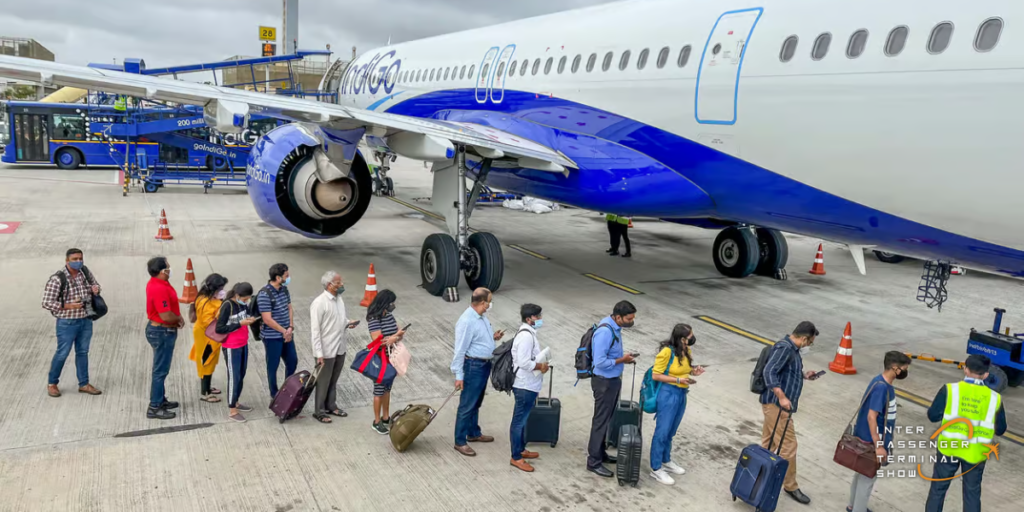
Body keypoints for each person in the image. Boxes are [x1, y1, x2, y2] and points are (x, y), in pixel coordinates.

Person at [924, 354, 1007, 512]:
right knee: (972, 493)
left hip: (949, 448)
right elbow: (1001, 429)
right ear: (986, 374)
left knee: (938, 490)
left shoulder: (950, 390)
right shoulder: (994, 398)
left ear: (965, 369)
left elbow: (932, 416)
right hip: (976, 452)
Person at [759, 321, 822, 505]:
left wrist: (803, 375)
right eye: (810, 342)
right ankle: (790, 485)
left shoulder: (791, 350)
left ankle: (760, 474)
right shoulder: (785, 348)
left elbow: (784, 371)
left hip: (777, 407)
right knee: (789, 446)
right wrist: (781, 396)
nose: (809, 345)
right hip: (777, 407)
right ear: (804, 338)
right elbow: (769, 371)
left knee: (768, 443)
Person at [847, 351, 910, 512]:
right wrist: (879, 446)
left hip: (864, 438)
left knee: (861, 473)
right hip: (871, 442)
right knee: (868, 478)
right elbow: (871, 417)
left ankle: (852, 505)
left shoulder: (877, 381)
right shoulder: (882, 388)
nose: (905, 372)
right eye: (904, 368)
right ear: (895, 368)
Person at [41, 248, 102, 397]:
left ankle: (84, 384)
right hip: (67, 322)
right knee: (62, 353)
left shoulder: (85, 273)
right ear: (67, 261)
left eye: (80, 258)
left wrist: (96, 290)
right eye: (74, 259)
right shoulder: (58, 279)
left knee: (83, 352)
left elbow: (96, 285)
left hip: (85, 319)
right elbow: (46, 302)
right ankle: (52, 383)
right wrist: (68, 306)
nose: (78, 261)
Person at [586, 300, 638, 477]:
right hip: (604, 382)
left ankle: (601, 453)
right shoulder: (605, 332)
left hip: (612, 380)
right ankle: (593, 462)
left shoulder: (614, 327)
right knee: (600, 421)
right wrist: (621, 360)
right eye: (629, 318)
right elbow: (599, 361)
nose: (631, 321)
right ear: (618, 317)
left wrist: (623, 358)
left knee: (606, 419)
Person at [451, 287, 504, 456]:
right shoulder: (467, 321)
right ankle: (460, 441)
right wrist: (459, 375)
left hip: (483, 366)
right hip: (473, 367)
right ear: (482, 302)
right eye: (489, 301)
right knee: (467, 404)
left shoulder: (481, 317)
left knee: (476, 402)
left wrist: (492, 338)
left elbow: (477, 339)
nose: (490, 305)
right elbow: (460, 350)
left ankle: (473, 433)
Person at [649, 323, 704, 485]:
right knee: (662, 431)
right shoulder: (666, 352)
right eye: (689, 337)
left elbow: (685, 369)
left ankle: (666, 460)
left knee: (671, 430)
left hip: (681, 393)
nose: (692, 339)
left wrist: (694, 371)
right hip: (668, 393)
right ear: (681, 338)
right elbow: (656, 375)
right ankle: (656, 467)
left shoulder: (686, 351)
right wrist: (678, 379)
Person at [310, 271, 359, 424]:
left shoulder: (339, 300)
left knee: (333, 380)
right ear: (330, 285)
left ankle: (331, 405)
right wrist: (319, 354)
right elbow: (315, 331)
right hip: (326, 350)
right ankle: (319, 411)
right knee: (323, 382)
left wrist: (348, 322)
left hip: (340, 347)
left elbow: (339, 319)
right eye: (338, 282)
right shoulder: (319, 303)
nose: (342, 284)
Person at [509, 303, 550, 472]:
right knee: (519, 421)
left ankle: (521, 449)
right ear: (529, 319)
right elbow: (524, 362)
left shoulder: (529, 333)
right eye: (537, 317)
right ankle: (515, 457)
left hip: (530, 384)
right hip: (524, 385)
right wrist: (540, 366)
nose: (540, 319)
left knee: (524, 419)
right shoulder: (526, 336)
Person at [144, 257, 183, 420]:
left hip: (162, 330)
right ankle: (154, 406)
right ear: (161, 271)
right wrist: (178, 319)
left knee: (162, 369)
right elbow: (166, 315)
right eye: (167, 267)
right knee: (160, 371)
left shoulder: (160, 283)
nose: (170, 269)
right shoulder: (158, 288)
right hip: (162, 331)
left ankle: (161, 399)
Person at [215, 282, 257, 422]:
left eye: (247, 299)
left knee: (241, 374)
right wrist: (240, 324)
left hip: (243, 343)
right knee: (234, 377)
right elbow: (219, 328)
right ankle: (232, 410)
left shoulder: (242, 304)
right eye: (244, 299)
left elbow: (246, 314)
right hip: (231, 346)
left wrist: (250, 319)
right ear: (237, 295)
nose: (246, 302)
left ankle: (236, 401)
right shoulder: (227, 305)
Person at [366, 289, 405, 434]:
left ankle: (386, 417)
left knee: (387, 388)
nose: (392, 305)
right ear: (384, 303)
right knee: (378, 390)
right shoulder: (373, 319)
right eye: (391, 303)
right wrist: (395, 337)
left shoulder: (389, 315)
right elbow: (378, 341)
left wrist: (397, 336)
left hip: (391, 358)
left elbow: (398, 331)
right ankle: (376, 421)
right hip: (380, 358)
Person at [259, 263, 296, 398]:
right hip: (272, 337)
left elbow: (289, 308)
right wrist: (284, 331)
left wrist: (290, 327)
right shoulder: (264, 294)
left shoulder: (284, 290)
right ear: (278, 278)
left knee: (292, 361)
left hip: (287, 333)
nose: (289, 277)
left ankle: (288, 389)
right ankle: (274, 394)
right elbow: (267, 319)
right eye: (286, 275)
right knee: (273, 366)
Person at [190, 273, 227, 403]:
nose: (222, 291)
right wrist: (221, 311)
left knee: (210, 362)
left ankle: (208, 387)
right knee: (206, 362)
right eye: (220, 288)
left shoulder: (205, 297)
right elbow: (208, 322)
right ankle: (205, 393)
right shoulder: (206, 302)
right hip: (207, 337)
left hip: (208, 336)